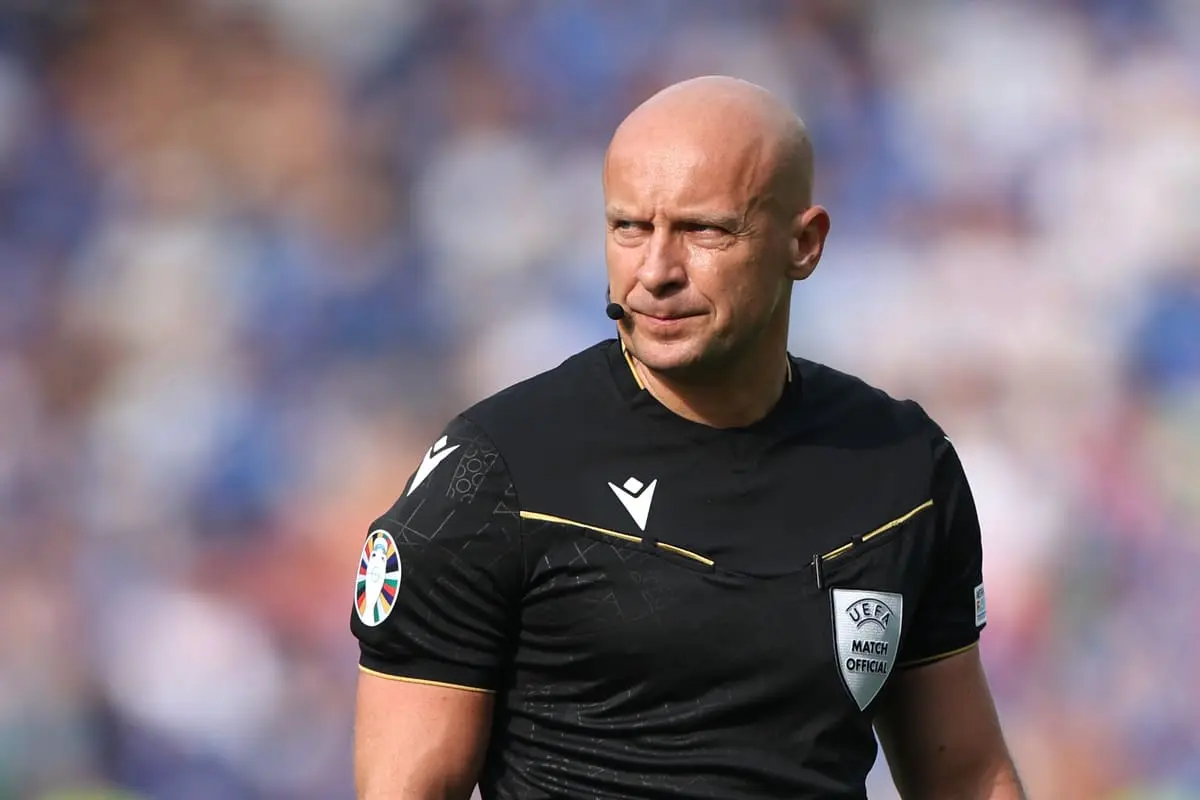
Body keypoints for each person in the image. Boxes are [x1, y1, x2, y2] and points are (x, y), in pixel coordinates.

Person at [351, 75, 1025, 799]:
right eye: (629, 227)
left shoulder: (901, 468)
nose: (656, 272)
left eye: (704, 230)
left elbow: (964, 774)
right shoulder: (494, 474)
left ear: (804, 243)